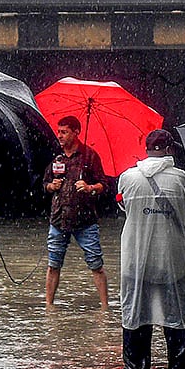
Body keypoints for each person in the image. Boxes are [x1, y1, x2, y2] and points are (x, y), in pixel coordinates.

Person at [116, 129, 185, 369]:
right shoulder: (181, 179)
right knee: (176, 320)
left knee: (136, 317)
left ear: (146, 149)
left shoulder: (127, 177)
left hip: (137, 260)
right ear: (170, 149)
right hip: (173, 260)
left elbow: (123, 206)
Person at [43, 115, 111, 310]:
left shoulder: (90, 156)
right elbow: (44, 185)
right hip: (58, 218)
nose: (60, 136)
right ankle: (49, 306)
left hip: (86, 220)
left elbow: (104, 185)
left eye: (64, 132)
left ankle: (104, 307)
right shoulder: (55, 157)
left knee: (96, 263)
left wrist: (90, 187)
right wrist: (51, 186)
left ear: (76, 132)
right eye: (58, 132)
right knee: (53, 263)